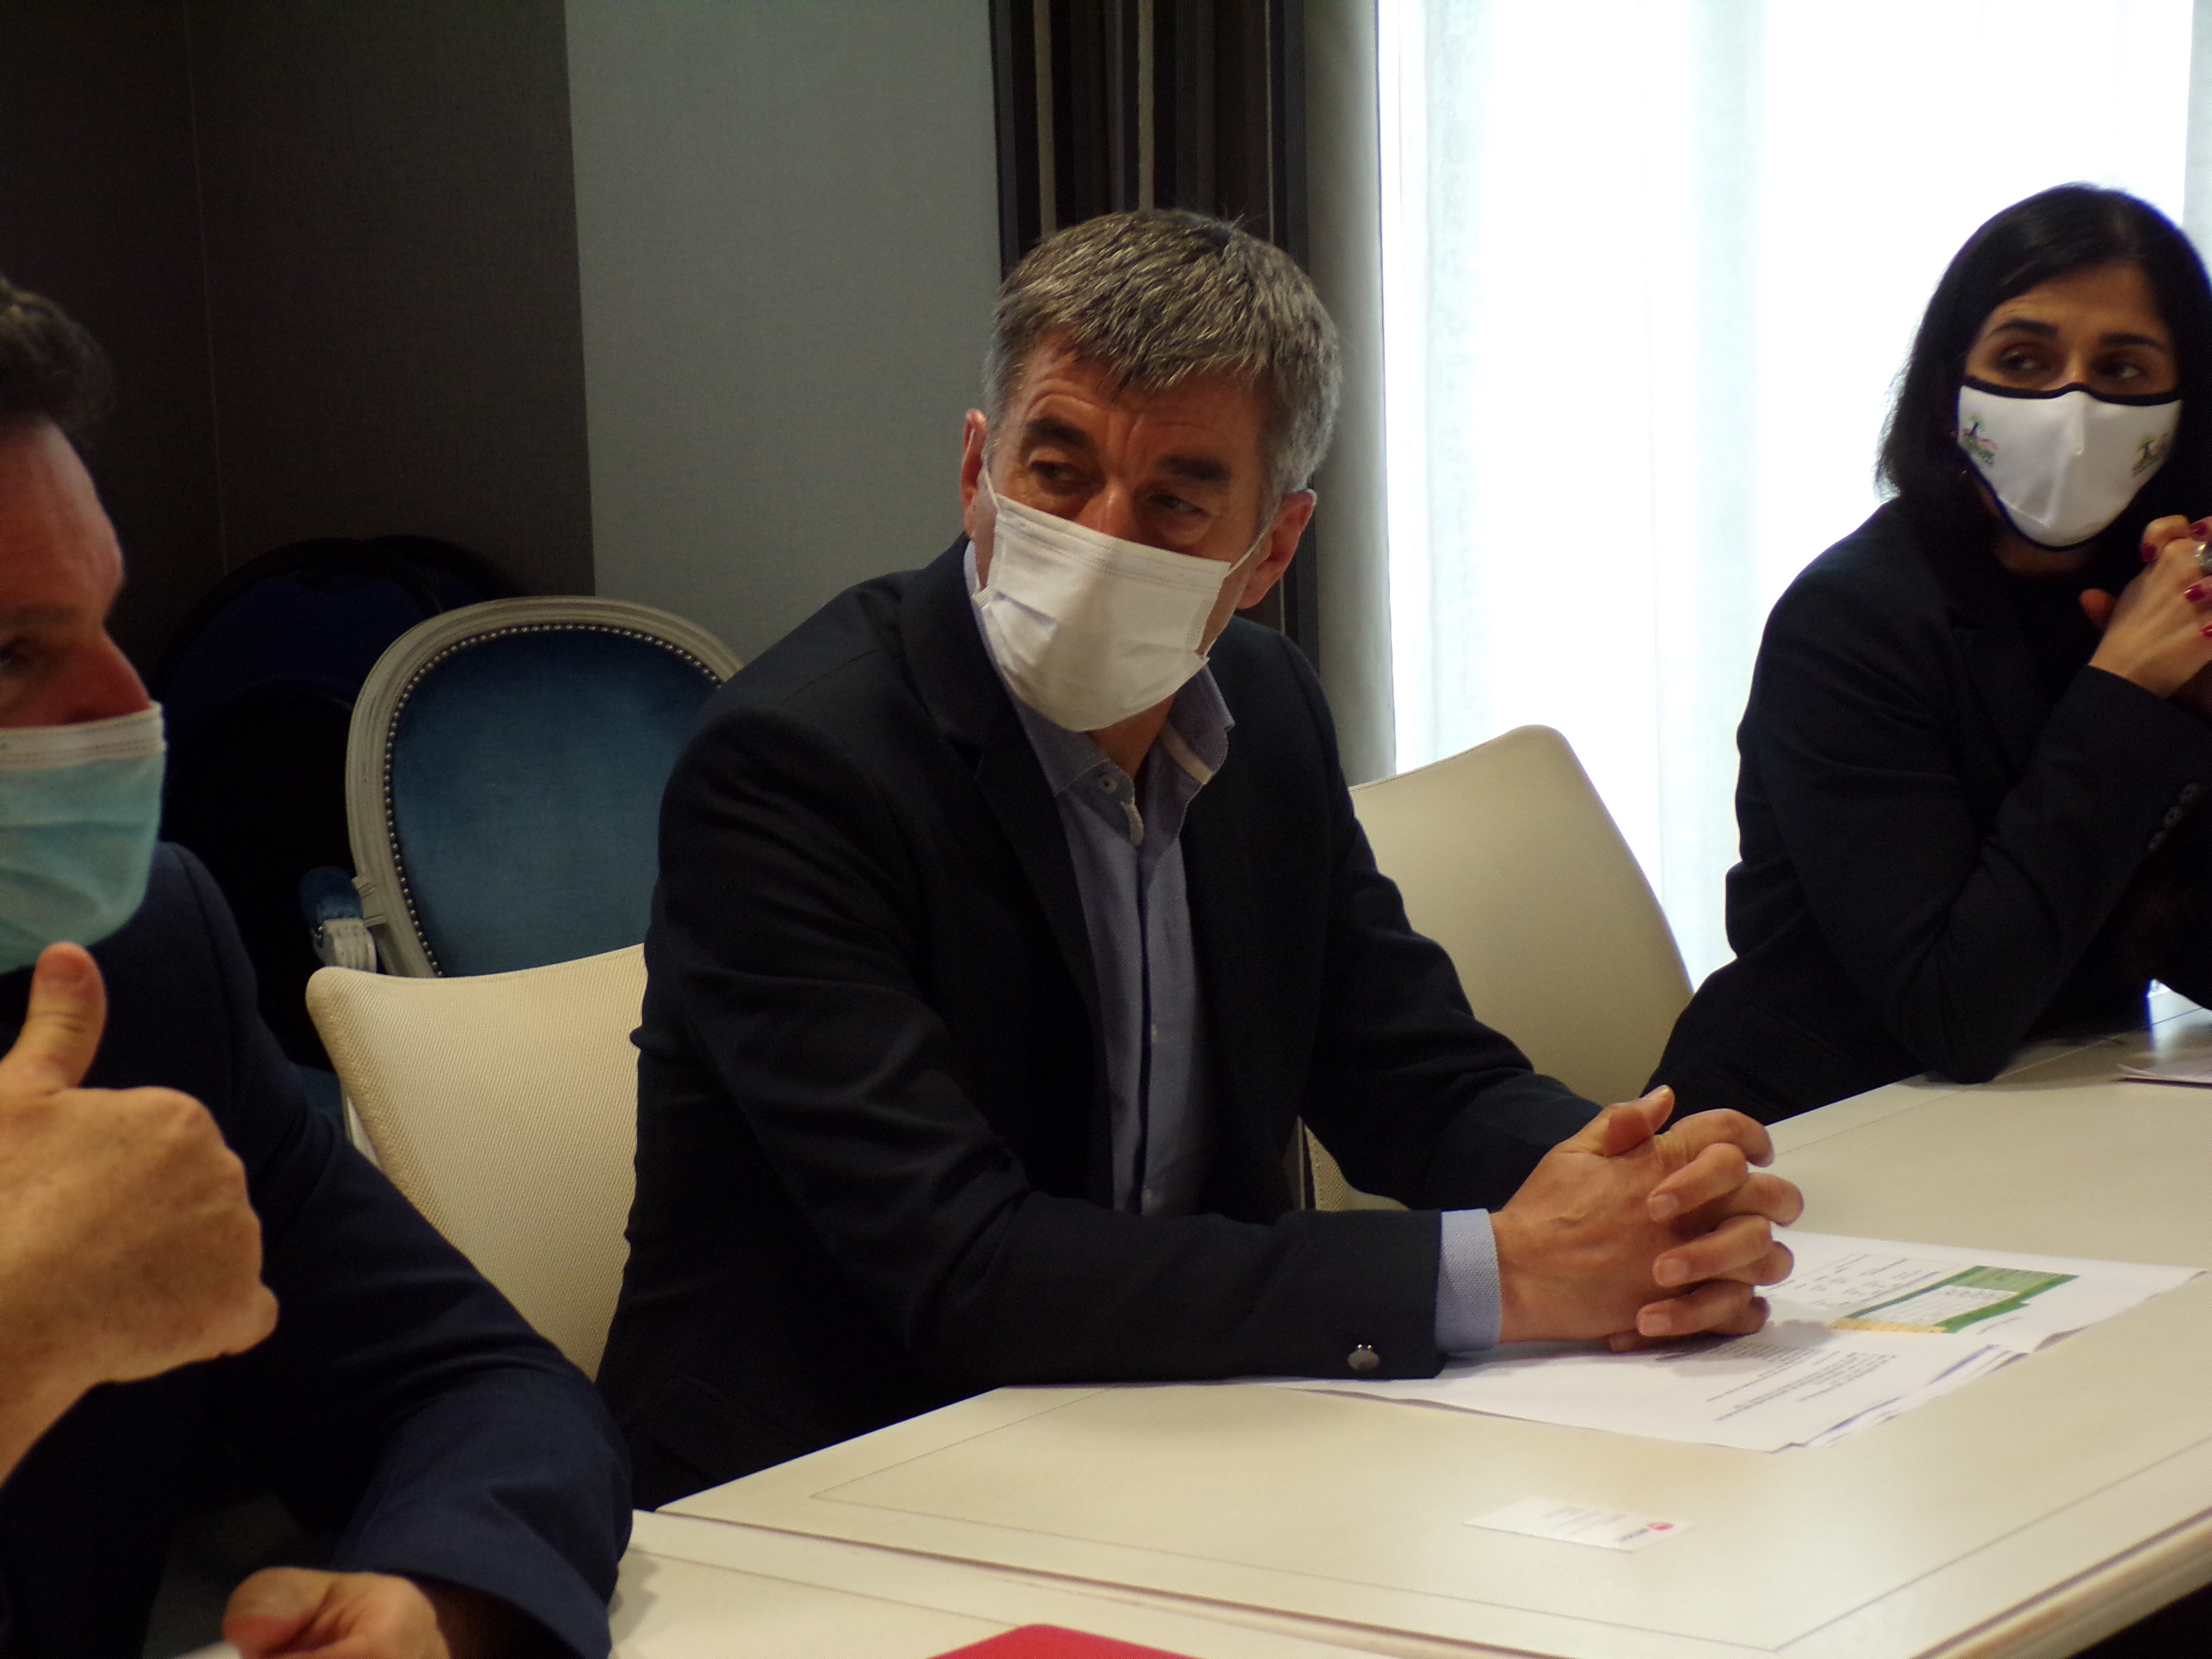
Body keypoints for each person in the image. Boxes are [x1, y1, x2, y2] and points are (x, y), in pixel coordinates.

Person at [599, 209, 1802, 1506]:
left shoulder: (1263, 709)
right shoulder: (797, 764)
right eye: (1057, 471)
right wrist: (1506, 1275)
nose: (1103, 536)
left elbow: (1408, 1074)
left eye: (1175, 501)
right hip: (834, 1477)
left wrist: (1641, 1199)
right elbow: (965, 1267)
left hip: (1175, 1425)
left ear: (1270, 549)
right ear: (976, 468)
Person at [0, 279, 629, 1655]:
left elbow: (471, 1391)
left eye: (104, 620)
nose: (130, 706)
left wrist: (432, 1599)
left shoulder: (134, 959)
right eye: (10, 657)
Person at [1653, 184, 2212, 1123]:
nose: (2071, 406)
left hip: (2062, 1114)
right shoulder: (1851, 621)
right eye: (2023, 360)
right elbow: (1956, 1011)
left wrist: (2198, 718)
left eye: (2123, 370)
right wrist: (2121, 697)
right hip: (1810, 1131)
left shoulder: (2158, 600)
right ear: (1950, 385)